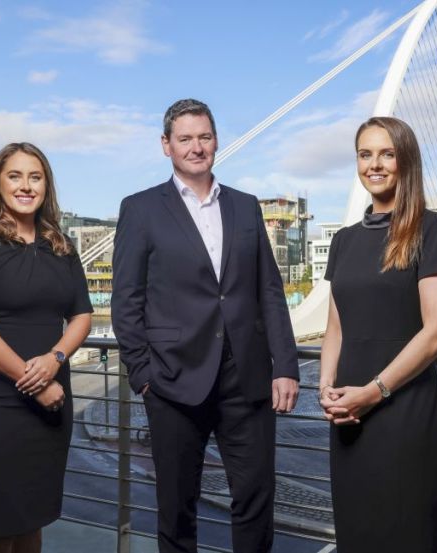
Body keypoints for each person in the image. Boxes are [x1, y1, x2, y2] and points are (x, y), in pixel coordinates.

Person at [111, 98, 300, 553]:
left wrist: (285, 366)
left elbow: (269, 291)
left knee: (255, 501)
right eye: (185, 139)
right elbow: (126, 299)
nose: (196, 147)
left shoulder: (245, 206)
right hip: (172, 381)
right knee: (177, 508)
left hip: (247, 379)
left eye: (205, 137)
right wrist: (143, 375)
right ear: (166, 145)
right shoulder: (140, 209)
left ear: (216, 141)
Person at [319, 116, 437, 552]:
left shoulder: (435, 229)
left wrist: (373, 392)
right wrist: (326, 388)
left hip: (403, 412)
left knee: (407, 533)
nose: (374, 165)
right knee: (356, 535)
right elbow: (335, 327)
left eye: (387, 154)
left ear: (407, 161)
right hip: (349, 415)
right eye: (365, 154)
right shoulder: (343, 241)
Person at [0, 142, 93, 553]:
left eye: (35, 177)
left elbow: (82, 316)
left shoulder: (62, 247)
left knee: (33, 519)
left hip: (51, 400)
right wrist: (37, 381)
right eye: (15, 176)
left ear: (46, 186)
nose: (26, 186)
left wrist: (56, 359)